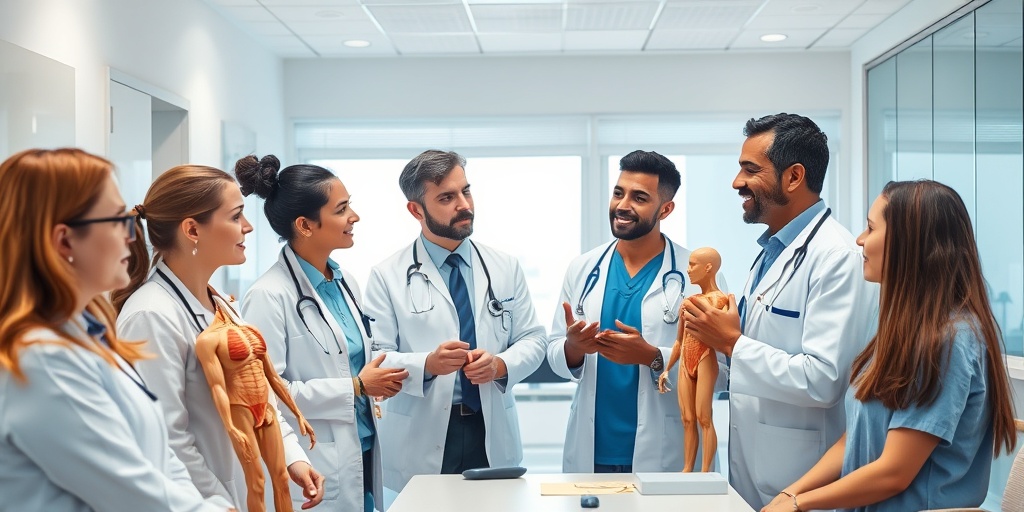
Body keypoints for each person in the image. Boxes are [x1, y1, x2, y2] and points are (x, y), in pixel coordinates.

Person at [0, 148, 233, 511]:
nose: (130, 236)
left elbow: (159, 457)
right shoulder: (40, 360)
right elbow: (132, 494)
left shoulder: (89, 335)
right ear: (65, 242)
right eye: (114, 220)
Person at [762, 180, 1017, 512]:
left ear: (908, 243)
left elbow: (894, 473)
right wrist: (789, 494)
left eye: (870, 228)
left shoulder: (950, 341)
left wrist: (799, 504)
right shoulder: (897, 329)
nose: (860, 239)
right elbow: (853, 439)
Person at [682, 113, 878, 509]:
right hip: (752, 470)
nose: (737, 182)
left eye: (750, 170)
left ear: (793, 177)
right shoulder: (770, 253)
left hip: (802, 481)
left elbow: (824, 380)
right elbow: (756, 353)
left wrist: (733, 344)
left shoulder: (837, 257)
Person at [113, 164, 325, 510]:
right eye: (236, 216)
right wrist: (214, 501)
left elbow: (260, 398)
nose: (248, 227)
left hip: (250, 491)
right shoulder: (151, 315)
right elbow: (164, 436)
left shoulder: (220, 303)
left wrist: (292, 458)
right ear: (192, 229)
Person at [362, 150, 548, 491]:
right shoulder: (386, 275)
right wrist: (428, 364)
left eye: (466, 191)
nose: (464, 204)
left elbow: (534, 339)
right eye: (447, 197)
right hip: (424, 430)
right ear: (416, 210)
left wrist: (501, 364)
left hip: (488, 427)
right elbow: (377, 357)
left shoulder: (504, 266)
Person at [237, 155, 409, 512]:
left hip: (362, 449)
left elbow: (358, 358)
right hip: (316, 460)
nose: (354, 217)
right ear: (305, 224)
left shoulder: (344, 283)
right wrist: (357, 387)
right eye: (342, 209)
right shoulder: (269, 295)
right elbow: (269, 394)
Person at [547, 150, 718, 474]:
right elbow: (555, 351)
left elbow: (721, 370)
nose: (623, 205)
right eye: (618, 193)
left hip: (665, 452)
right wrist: (574, 349)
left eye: (639, 197)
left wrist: (653, 357)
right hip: (593, 451)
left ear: (665, 209)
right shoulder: (583, 268)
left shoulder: (696, 275)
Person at [658, 247, 727, 473]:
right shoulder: (689, 301)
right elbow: (679, 340)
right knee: (687, 418)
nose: (687, 270)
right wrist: (667, 369)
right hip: (686, 361)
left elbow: (723, 336)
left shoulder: (720, 300)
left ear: (708, 268)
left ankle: (705, 471)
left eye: (693, 264)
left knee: (704, 417)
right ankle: (687, 469)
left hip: (705, 358)